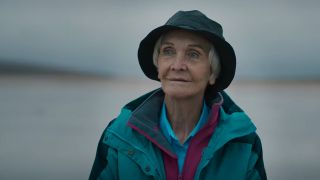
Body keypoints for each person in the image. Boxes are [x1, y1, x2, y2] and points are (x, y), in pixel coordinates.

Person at [89, 10, 267, 180]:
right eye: (168, 51)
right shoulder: (119, 135)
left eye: (193, 54)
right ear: (158, 65)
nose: (178, 65)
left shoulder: (243, 143)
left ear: (212, 73)